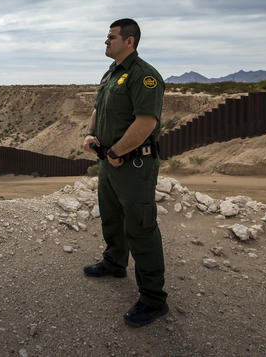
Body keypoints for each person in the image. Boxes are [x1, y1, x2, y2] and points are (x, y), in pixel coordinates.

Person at [82, 18, 168, 327]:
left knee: (141, 228)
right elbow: (98, 108)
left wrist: (117, 151)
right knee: (112, 216)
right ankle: (114, 263)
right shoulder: (111, 73)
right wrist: (90, 135)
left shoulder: (144, 76)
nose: (106, 41)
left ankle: (153, 299)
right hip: (110, 163)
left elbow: (146, 123)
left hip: (134, 166)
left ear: (129, 41)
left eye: (111, 37)